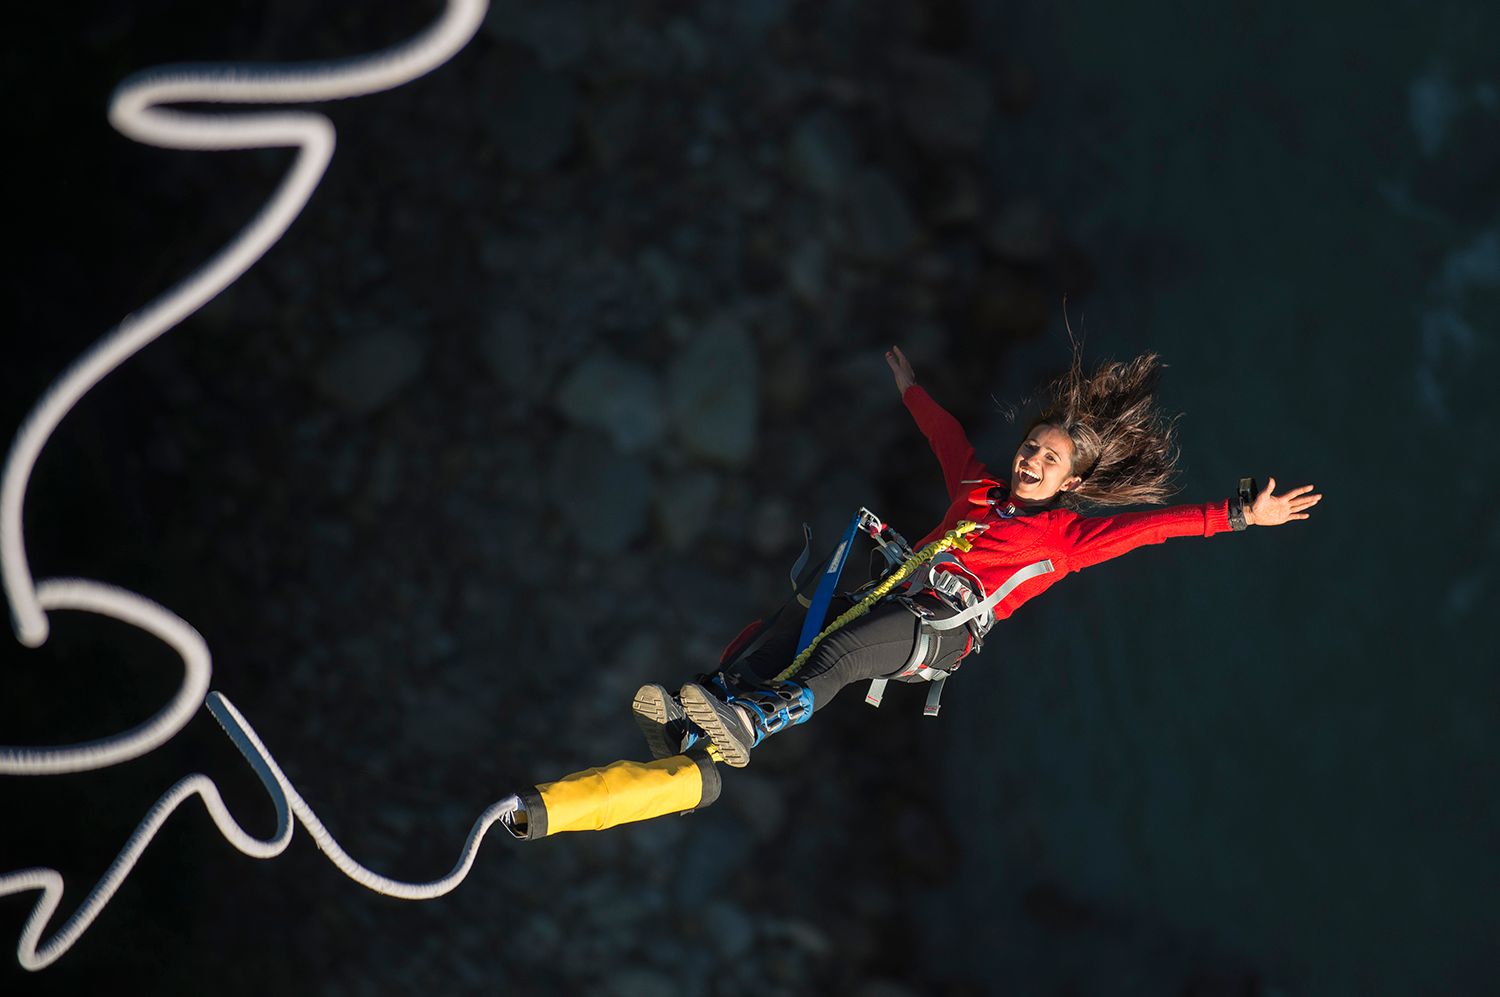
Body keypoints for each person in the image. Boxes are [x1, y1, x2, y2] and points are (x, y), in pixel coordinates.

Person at [633, 344, 1322, 767]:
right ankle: (705, 707)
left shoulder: (1064, 539)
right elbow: (946, 435)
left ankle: (751, 723)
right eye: (1030, 448)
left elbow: (1151, 529)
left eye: (1049, 461)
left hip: (944, 631)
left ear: (1070, 484)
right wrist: (911, 389)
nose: (1032, 460)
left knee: (836, 656)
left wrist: (1238, 514)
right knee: (789, 625)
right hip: (903, 594)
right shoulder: (979, 485)